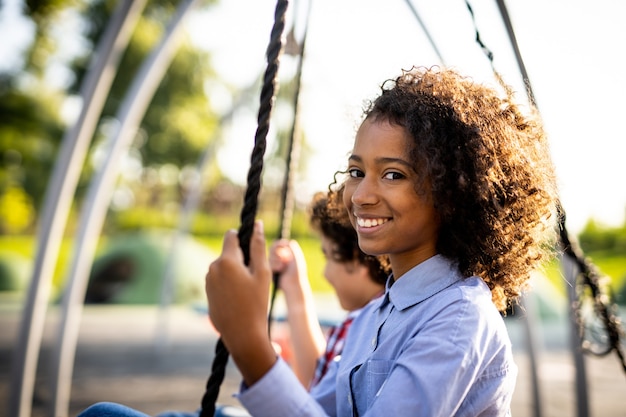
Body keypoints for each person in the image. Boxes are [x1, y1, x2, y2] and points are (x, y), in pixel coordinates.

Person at [205, 66, 559, 416]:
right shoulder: (372, 316)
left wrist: (251, 345)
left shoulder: (459, 318)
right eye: (357, 172)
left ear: (454, 194)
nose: (360, 196)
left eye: (393, 174)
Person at [269, 189, 389, 388]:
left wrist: (261, 365)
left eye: (328, 256)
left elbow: (314, 398)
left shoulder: (358, 326)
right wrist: (294, 288)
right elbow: (317, 382)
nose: (325, 274)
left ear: (358, 260)